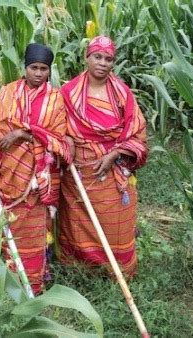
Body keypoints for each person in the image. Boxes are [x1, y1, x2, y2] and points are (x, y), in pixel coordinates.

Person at [0, 43, 71, 294]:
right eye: (33, 67)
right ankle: (12, 279)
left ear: (49, 71)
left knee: (34, 231)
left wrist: (24, 134)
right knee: (9, 225)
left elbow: (59, 139)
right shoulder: (7, 92)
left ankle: (34, 282)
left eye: (43, 69)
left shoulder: (55, 99)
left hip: (37, 178)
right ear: (24, 67)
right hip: (8, 173)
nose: (38, 73)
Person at [59, 36, 148, 278]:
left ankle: (117, 271)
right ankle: (81, 270)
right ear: (86, 58)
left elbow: (137, 130)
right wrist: (68, 145)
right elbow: (58, 126)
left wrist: (116, 153)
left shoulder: (122, 93)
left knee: (115, 223)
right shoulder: (68, 93)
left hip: (113, 168)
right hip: (79, 171)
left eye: (109, 59)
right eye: (97, 57)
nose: (103, 63)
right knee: (78, 221)